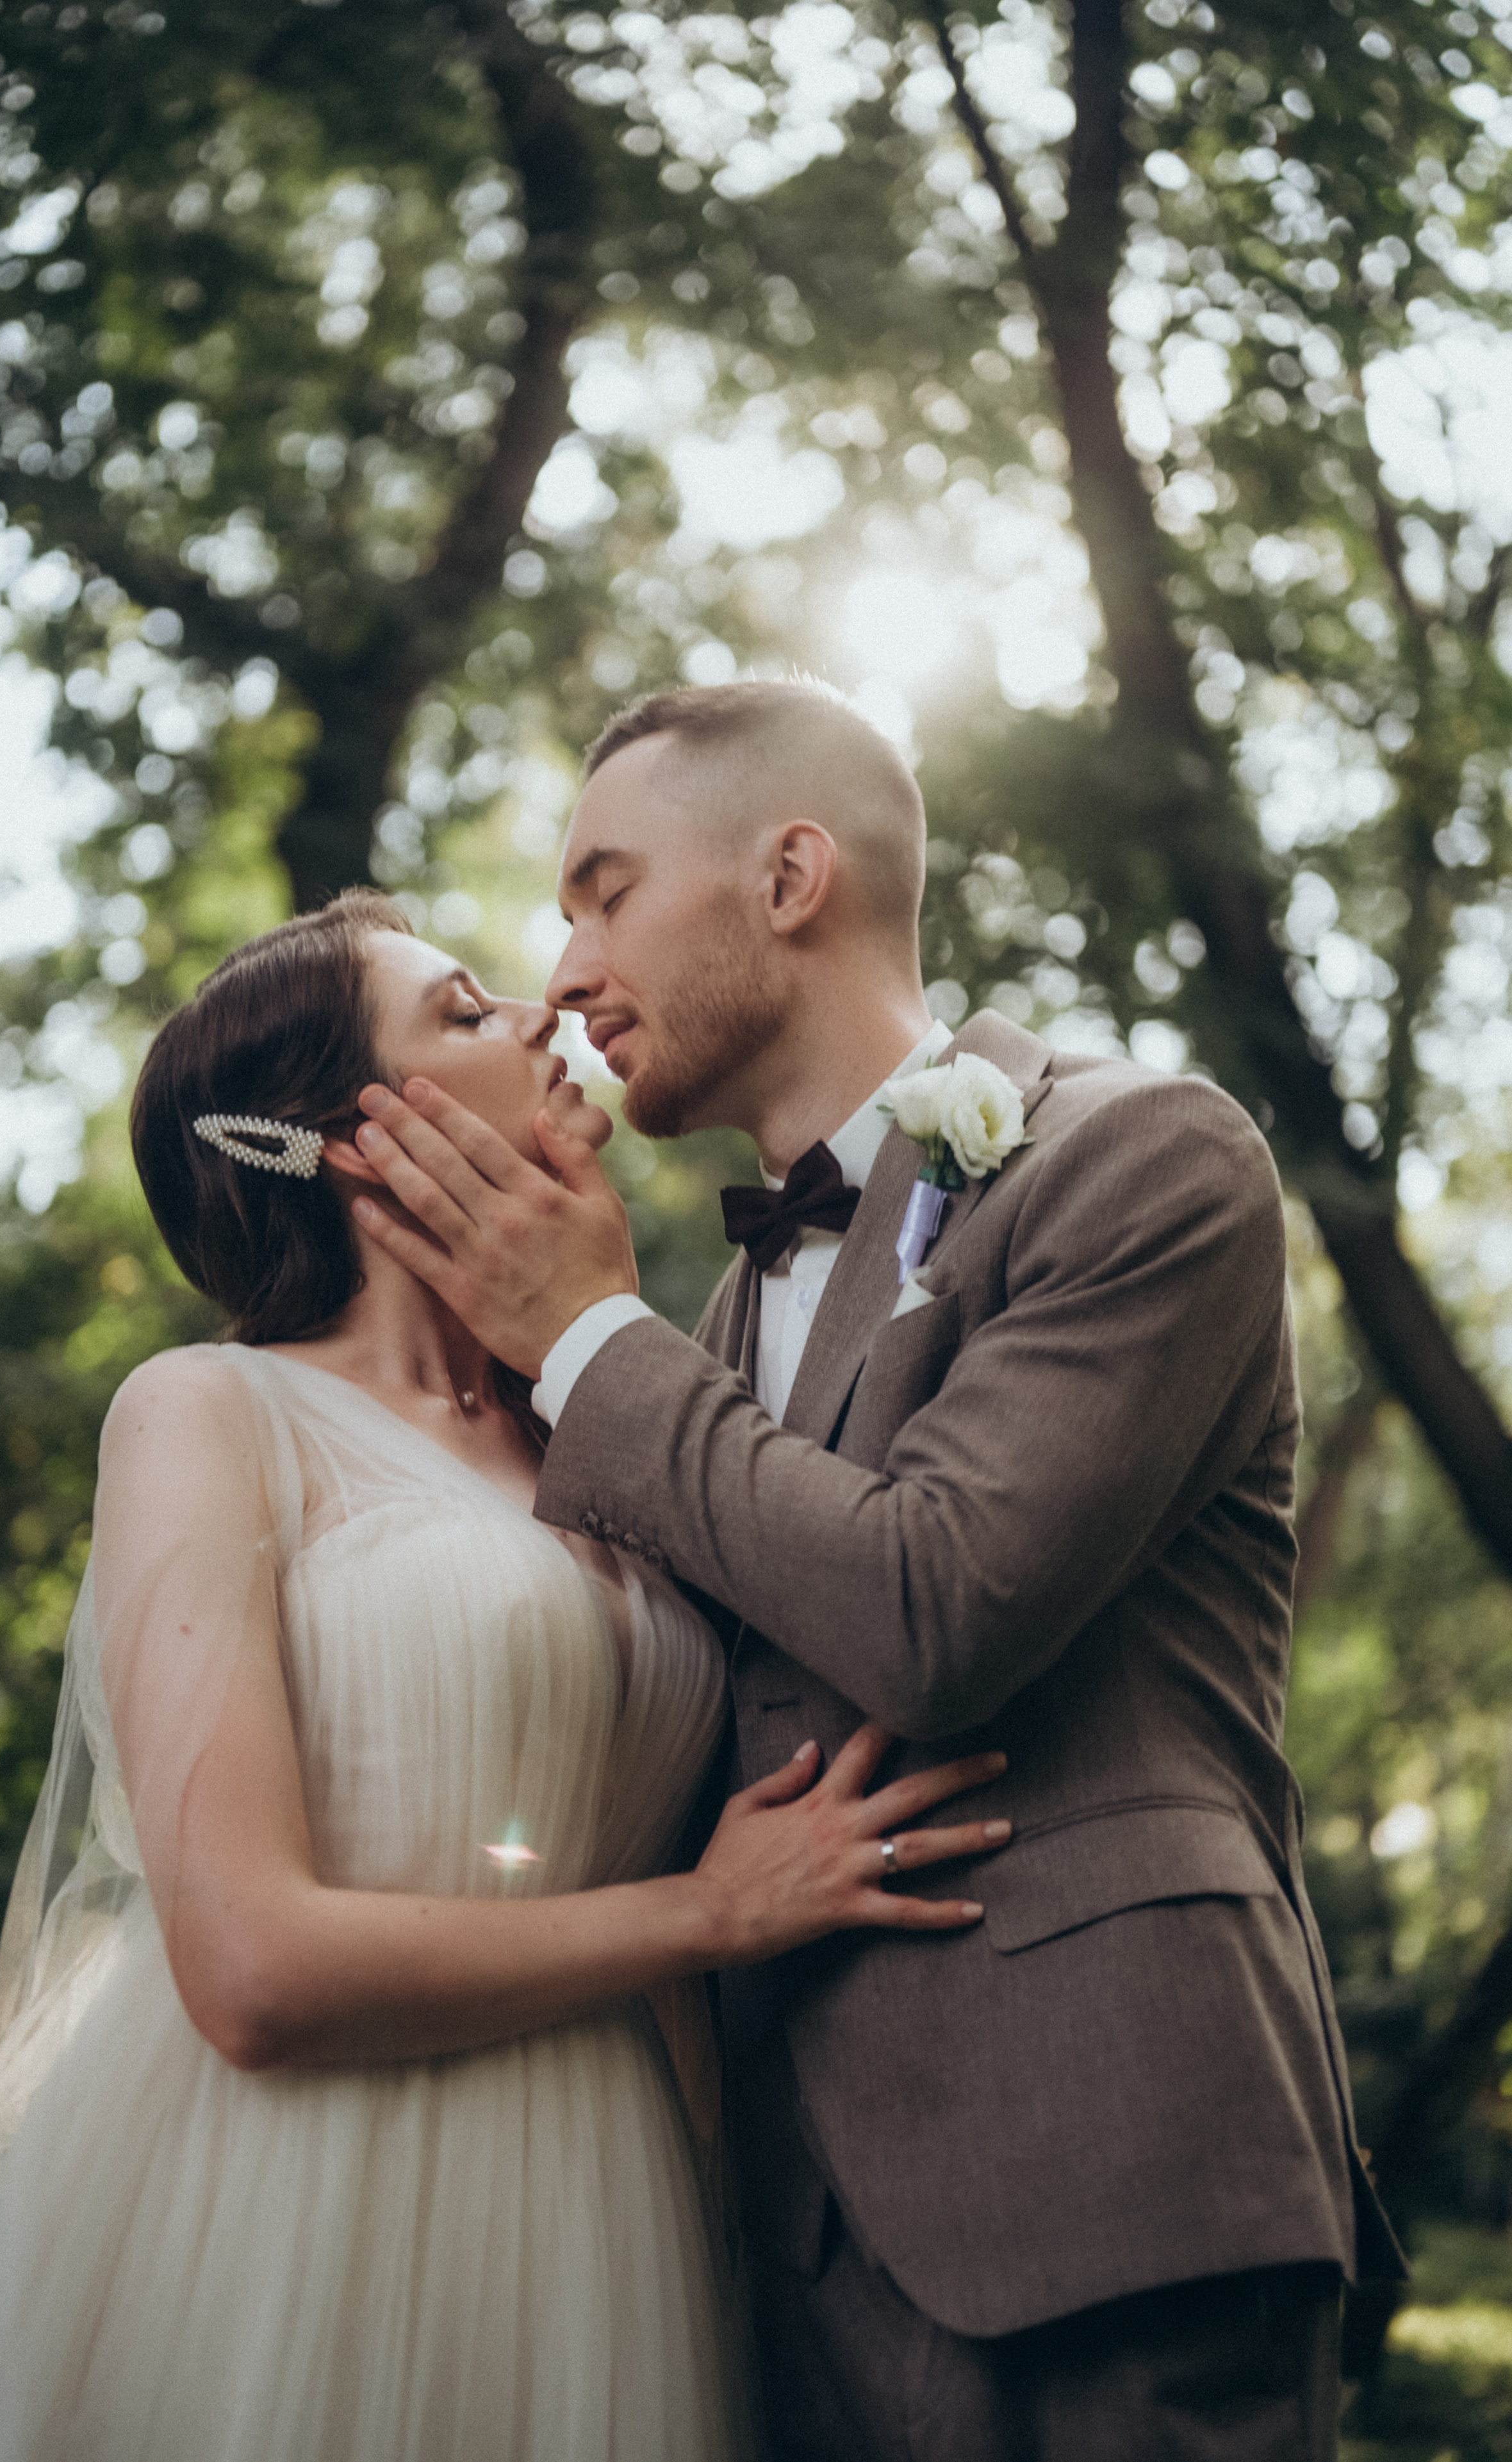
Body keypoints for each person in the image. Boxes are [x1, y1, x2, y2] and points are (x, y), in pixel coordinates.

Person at [347, 680, 1409, 2462]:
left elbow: (937, 1610)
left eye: (606, 891)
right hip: (790, 2257)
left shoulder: (1140, 1155)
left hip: (1116, 2189)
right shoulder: (703, 1323)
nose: (567, 967)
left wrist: (586, 1339)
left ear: (788, 877)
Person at [0, 888, 1013, 2462]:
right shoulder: (206, 1414)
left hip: (599, 2213)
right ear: (355, 1139)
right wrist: (710, 1912)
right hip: (289, 2204)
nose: (546, 1010)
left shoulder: (603, 1435)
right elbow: (248, 1970)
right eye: (467, 1011)